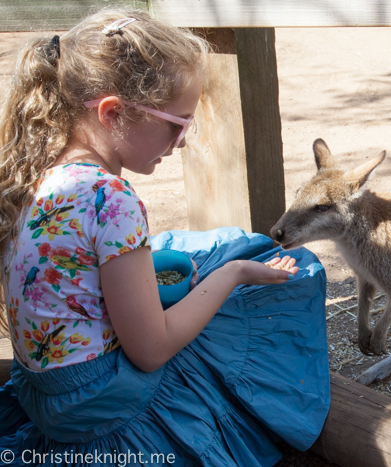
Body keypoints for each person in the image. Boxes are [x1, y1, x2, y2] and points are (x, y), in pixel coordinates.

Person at [0, 9, 330, 466]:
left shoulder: (33, 174)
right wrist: (234, 274)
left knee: (193, 256)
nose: (182, 141)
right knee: (255, 262)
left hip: (49, 398)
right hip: (101, 400)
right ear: (113, 112)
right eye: (176, 123)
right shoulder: (111, 199)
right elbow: (152, 351)